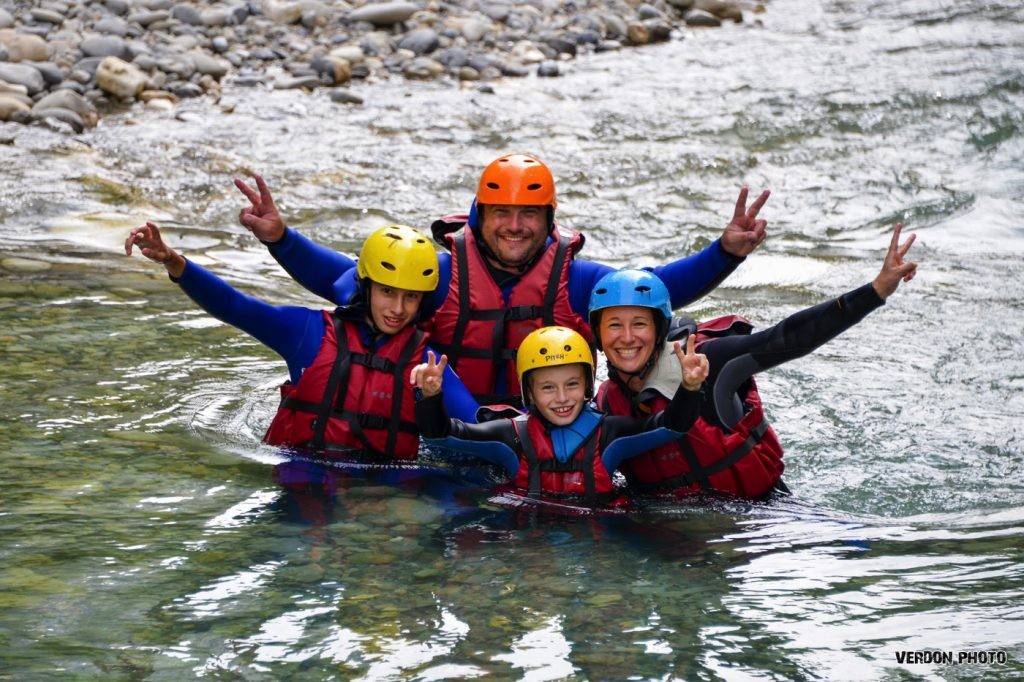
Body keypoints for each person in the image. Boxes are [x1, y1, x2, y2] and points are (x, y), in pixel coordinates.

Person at [233, 153, 770, 406]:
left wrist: (724, 253)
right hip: (450, 434)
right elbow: (348, 281)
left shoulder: (576, 280)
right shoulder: (438, 275)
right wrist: (281, 238)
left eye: (529, 214)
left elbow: (655, 290)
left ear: (549, 220)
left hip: (547, 427)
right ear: (478, 216)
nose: (516, 226)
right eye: (502, 213)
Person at [587, 223, 919, 499]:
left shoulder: (709, 362)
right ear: (598, 335)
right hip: (673, 538)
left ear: (659, 329)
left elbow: (790, 337)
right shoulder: (603, 407)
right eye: (614, 325)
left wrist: (875, 291)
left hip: (761, 519)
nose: (627, 338)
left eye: (639, 324)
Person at [124, 221, 480, 461]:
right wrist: (174, 262)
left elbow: (478, 427)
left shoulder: (428, 366)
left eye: (411, 297)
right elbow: (236, 307)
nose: (398, 309)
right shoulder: (307, 334)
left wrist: (433, 401)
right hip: (302, 474)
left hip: (385, 491)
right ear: (366, 285)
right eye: (388, 292)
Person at [408, 326, 709, 508]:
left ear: (588, 385)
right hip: (532, 538)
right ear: (530, 393)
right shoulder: (511, 438)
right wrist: (430, 398)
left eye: (572, 384)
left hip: (599, 534)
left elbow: (672, 426)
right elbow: (441, 434)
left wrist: (690, 387)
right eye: (548, 388)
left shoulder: (609, 434)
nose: (562, 398)